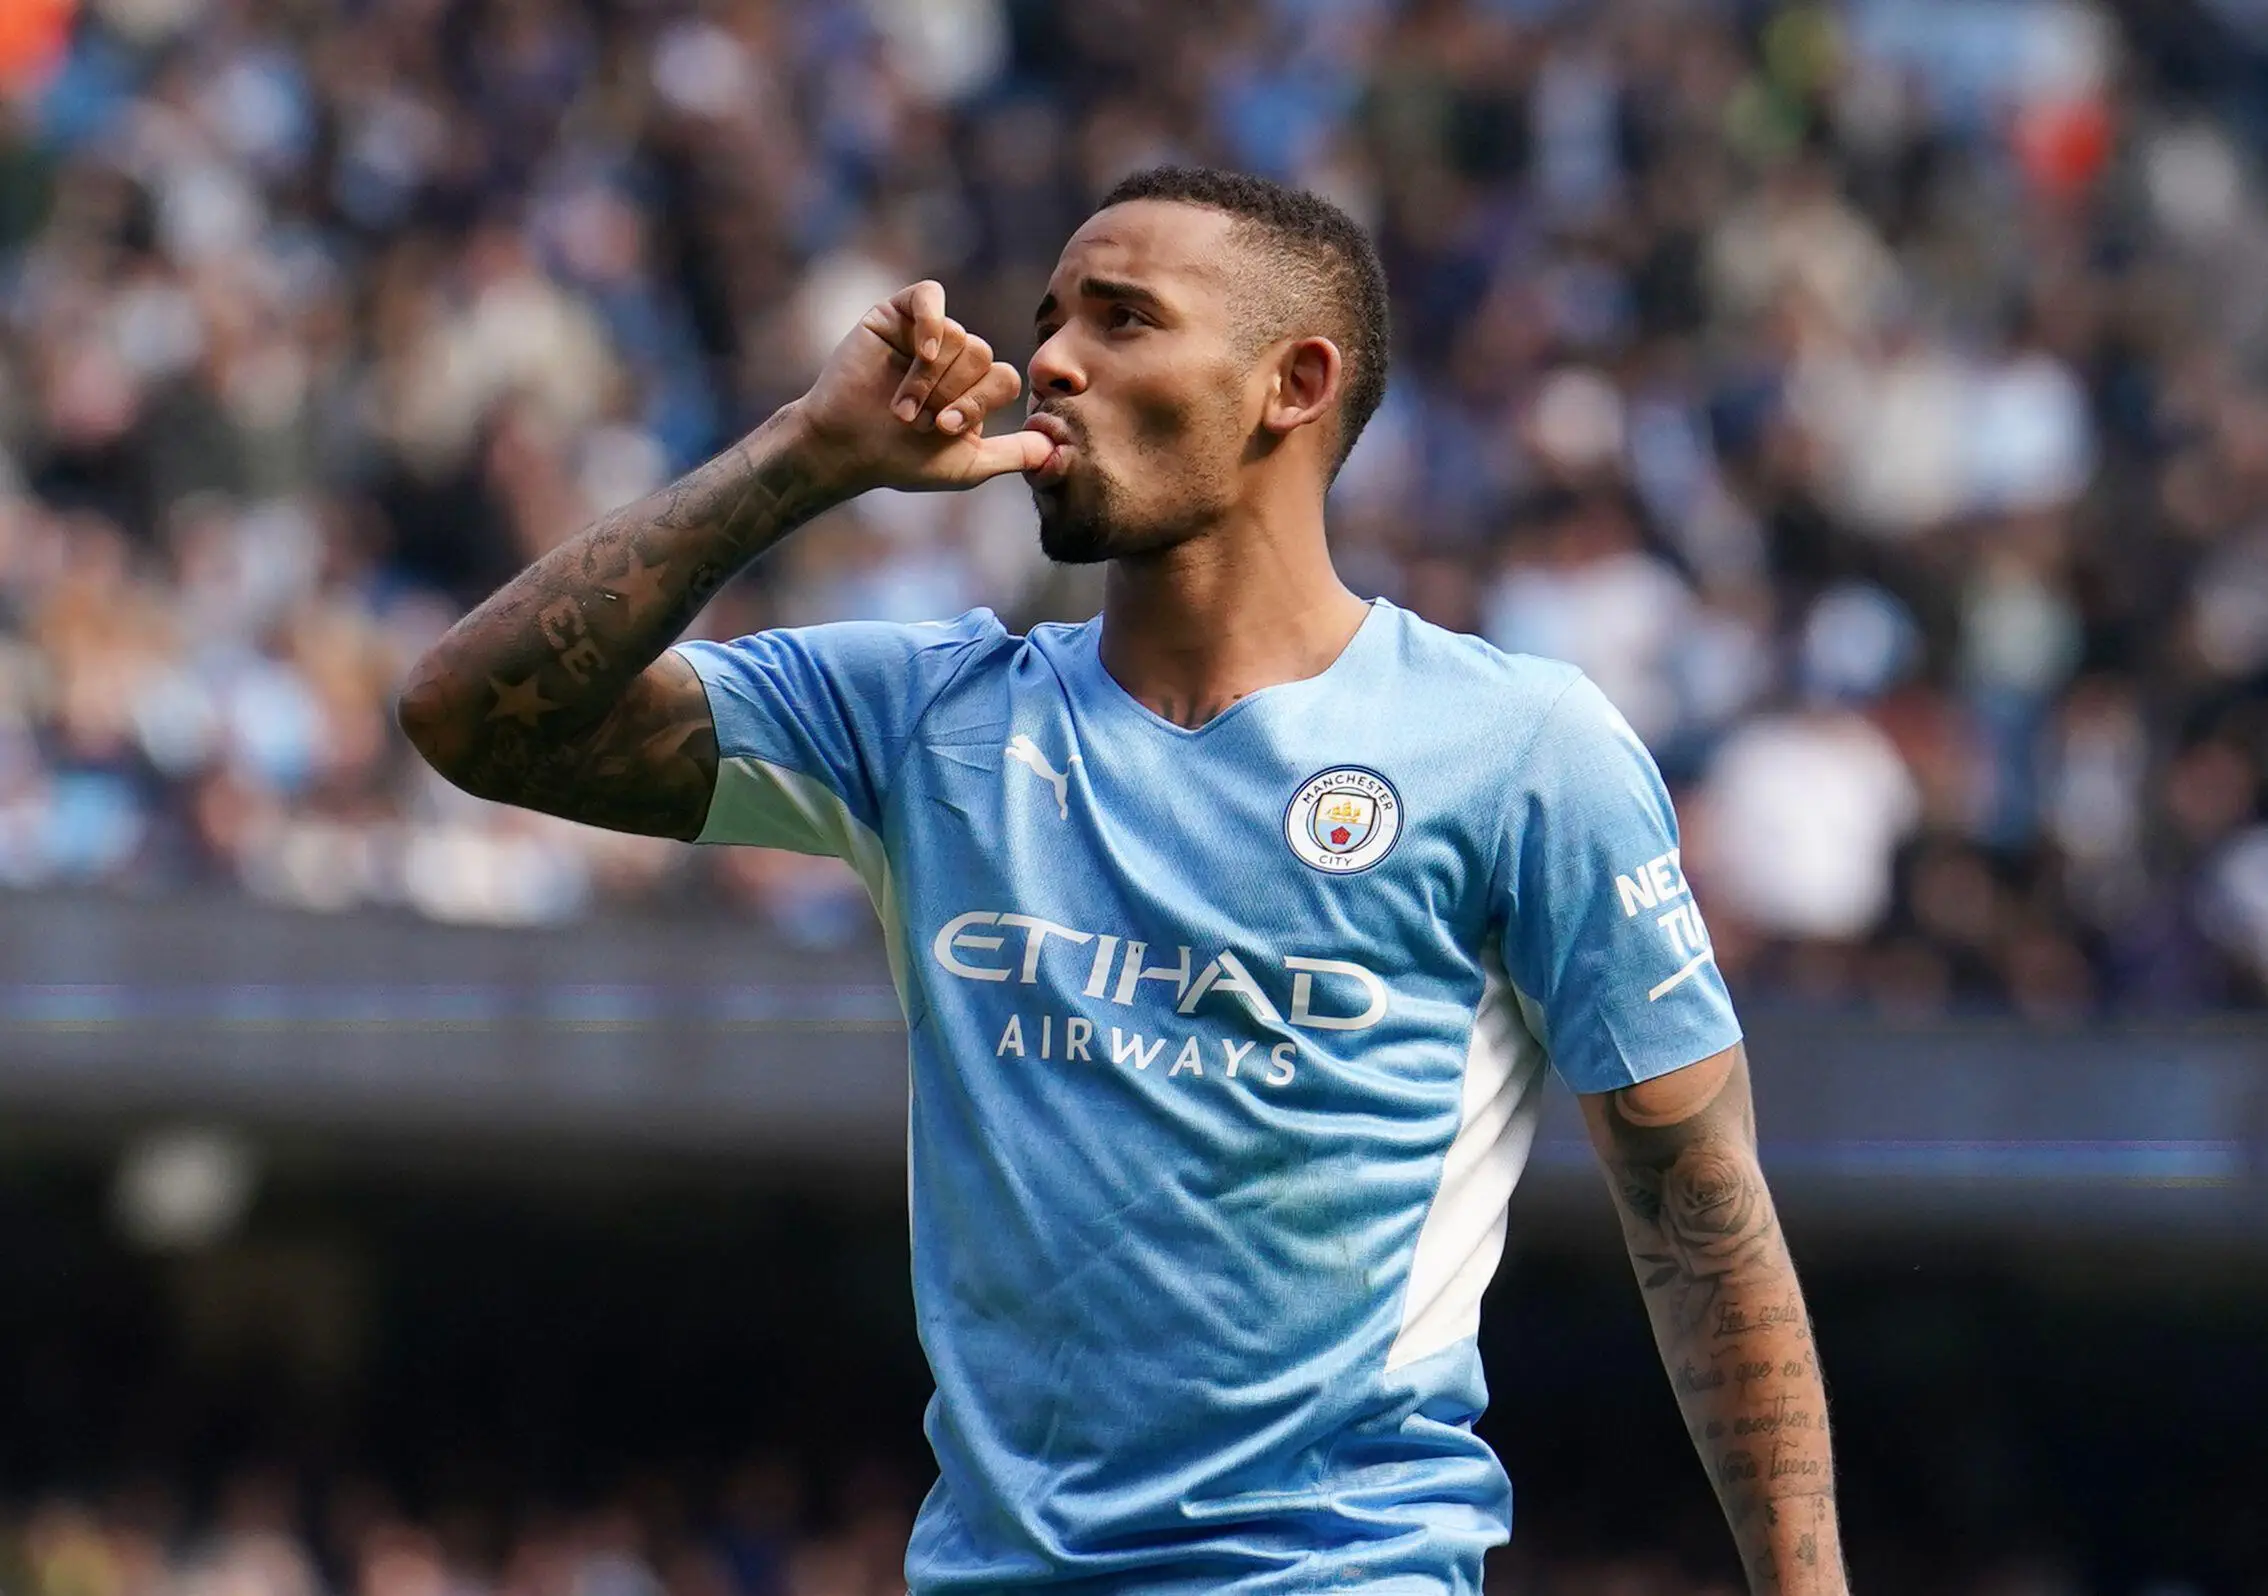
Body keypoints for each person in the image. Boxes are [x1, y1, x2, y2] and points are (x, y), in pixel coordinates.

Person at [399, 167, 1846, 1595]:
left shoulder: (1518, 750)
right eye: (1050, 317)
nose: (1050, 360)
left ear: (1294, 383)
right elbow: (473, 716)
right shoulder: (929, 717)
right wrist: (802, 458)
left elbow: (1698, 1211)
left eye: (1123, 319)